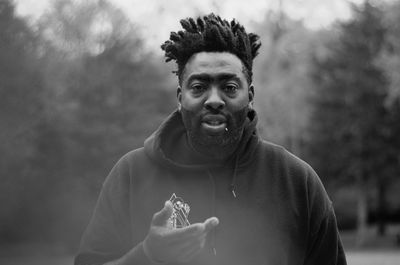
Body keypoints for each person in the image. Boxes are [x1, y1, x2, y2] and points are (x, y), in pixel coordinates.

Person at [74, 13, 347, 265]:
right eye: (199, 87)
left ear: (250, 96)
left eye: (229, 87)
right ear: (180, 97)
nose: (214, 100)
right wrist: (148, 255)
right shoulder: (131, 174)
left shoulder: (297, 180)